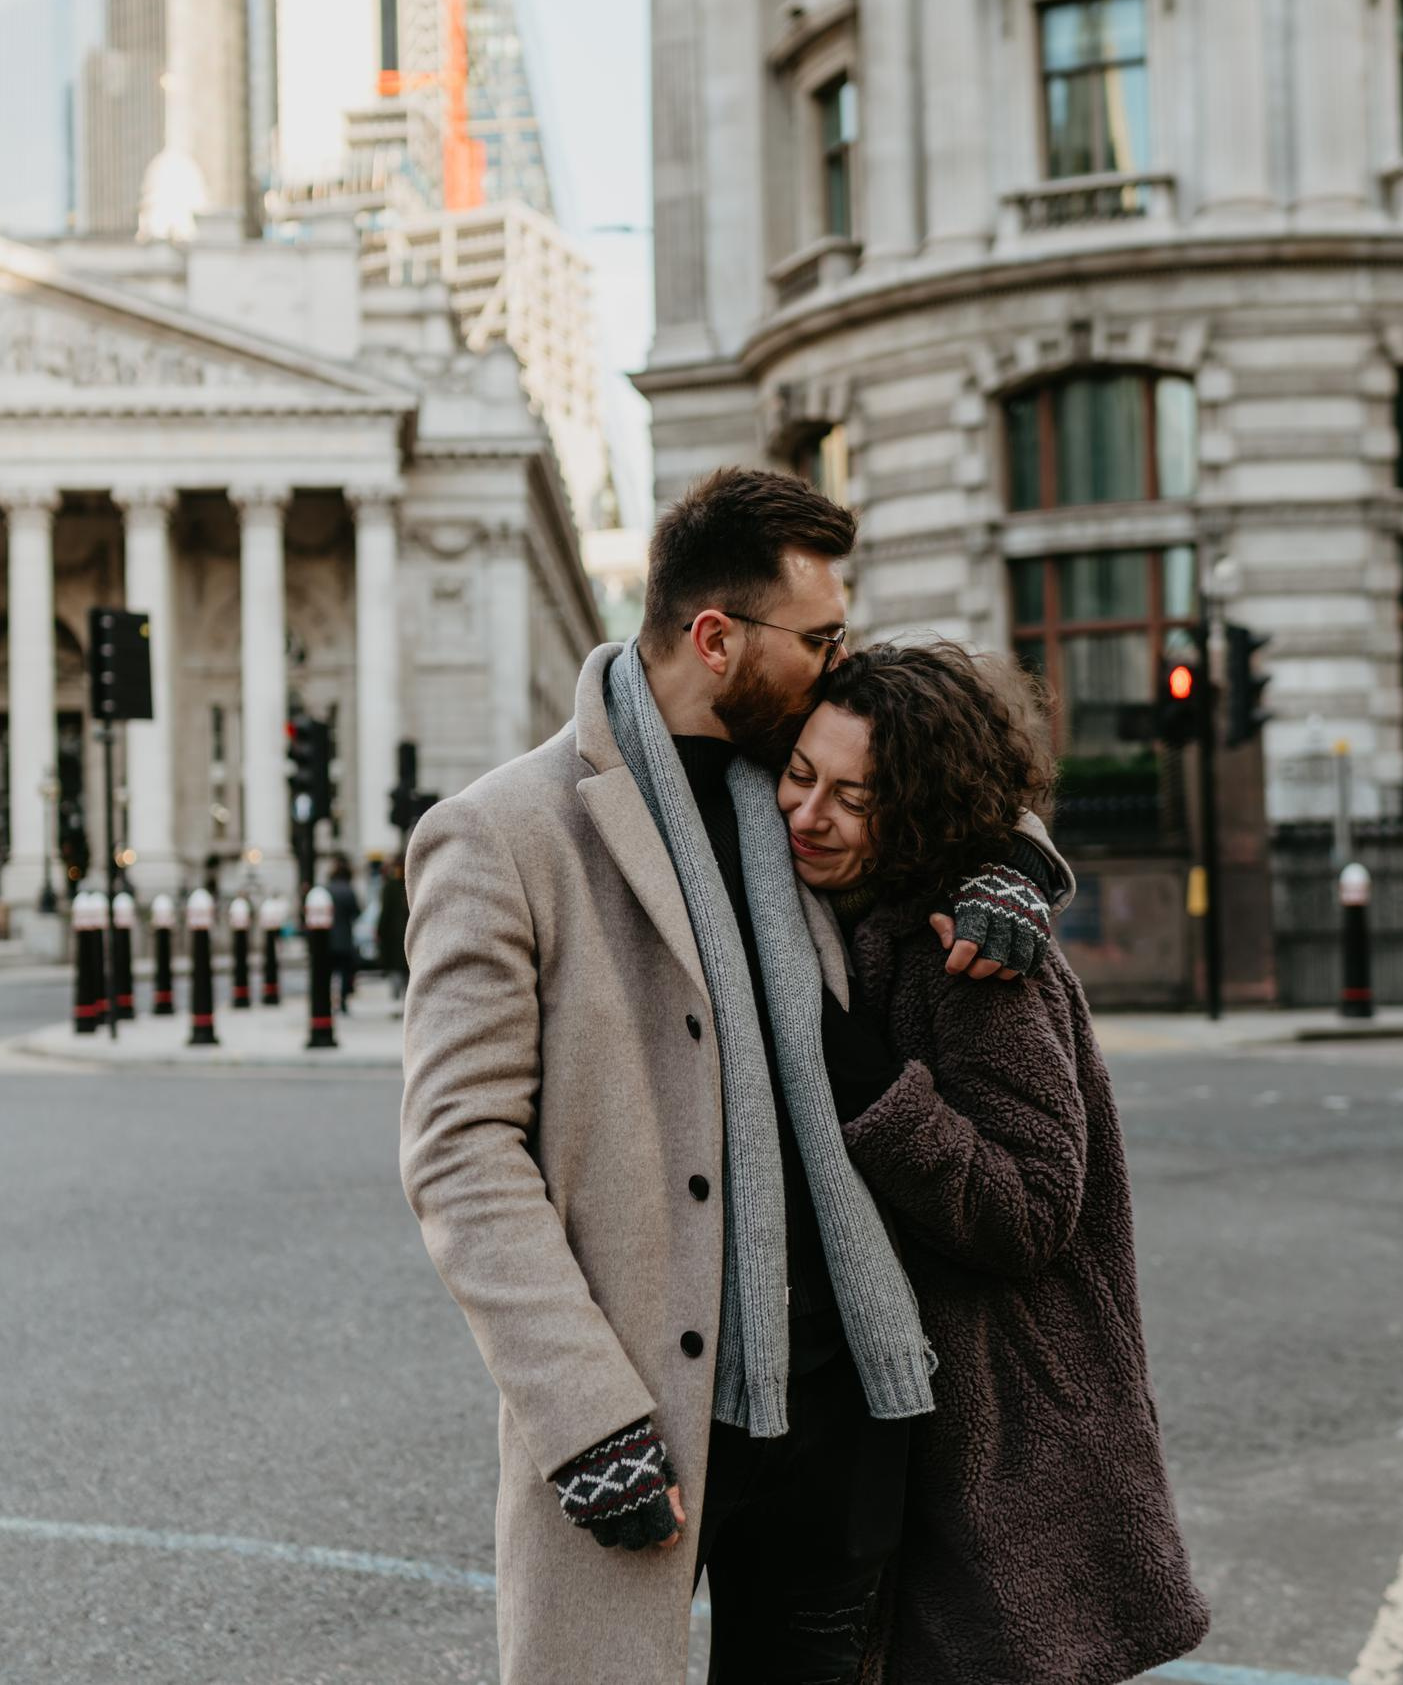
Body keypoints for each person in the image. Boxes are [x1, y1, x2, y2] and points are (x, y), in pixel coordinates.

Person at [398, 467, 1069, 1685]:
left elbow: (946, 768)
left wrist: (1013, 866)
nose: (838, 661)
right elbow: (459, 1151)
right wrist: (582, 1416)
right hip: (641, 1417)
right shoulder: (503, 835)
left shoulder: (796, 778)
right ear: (717, 639)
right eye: (819, 639)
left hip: (849, 1403)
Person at [783, 639, 1210, 1685]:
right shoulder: (846, 911)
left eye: (855, 797)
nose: (810, 814)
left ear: (919, 813)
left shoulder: (965, 955)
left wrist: (873, 1093)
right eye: (798, 775)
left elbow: (1029, 1208)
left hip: (1001, 1461)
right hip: (916, 1442)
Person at [324, 857, 363, 1015]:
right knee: (345, 972)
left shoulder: (326, 890)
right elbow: (356, 913)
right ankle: (343, 1001)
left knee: (328, 972)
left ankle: (328, 1000)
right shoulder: (348, 890)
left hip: (327, 938)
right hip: (345, 938)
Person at [374, 856, 409, 1003]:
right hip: (408, 931)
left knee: (396, 967)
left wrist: (379, 931)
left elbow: (385, 912)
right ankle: (404, 997)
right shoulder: (409, 883)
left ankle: (397, 998)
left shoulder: (389, 886)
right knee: (406, 967)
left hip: (394, 935)